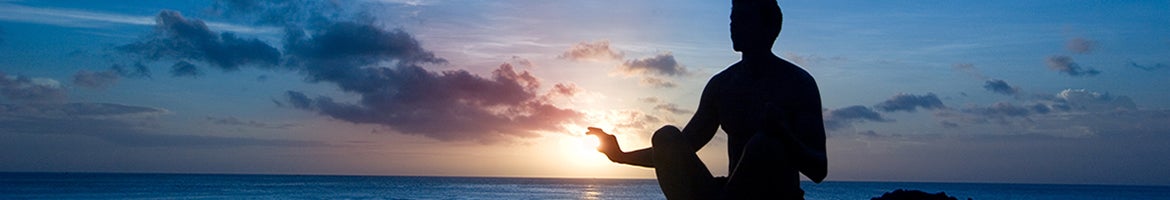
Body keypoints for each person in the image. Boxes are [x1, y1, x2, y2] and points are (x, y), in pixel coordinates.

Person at [587, 0, 827, 199]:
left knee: (764, 144)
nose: (733, 26)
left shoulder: (797, 83)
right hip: (727, 193)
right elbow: (678, 150)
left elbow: (818, 169)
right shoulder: (722, 85)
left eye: (743, 19)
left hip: (775, 195)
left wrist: (783, 134)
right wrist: (620, 156)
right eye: (732, 19)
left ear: (769, 27)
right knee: (667, 137)